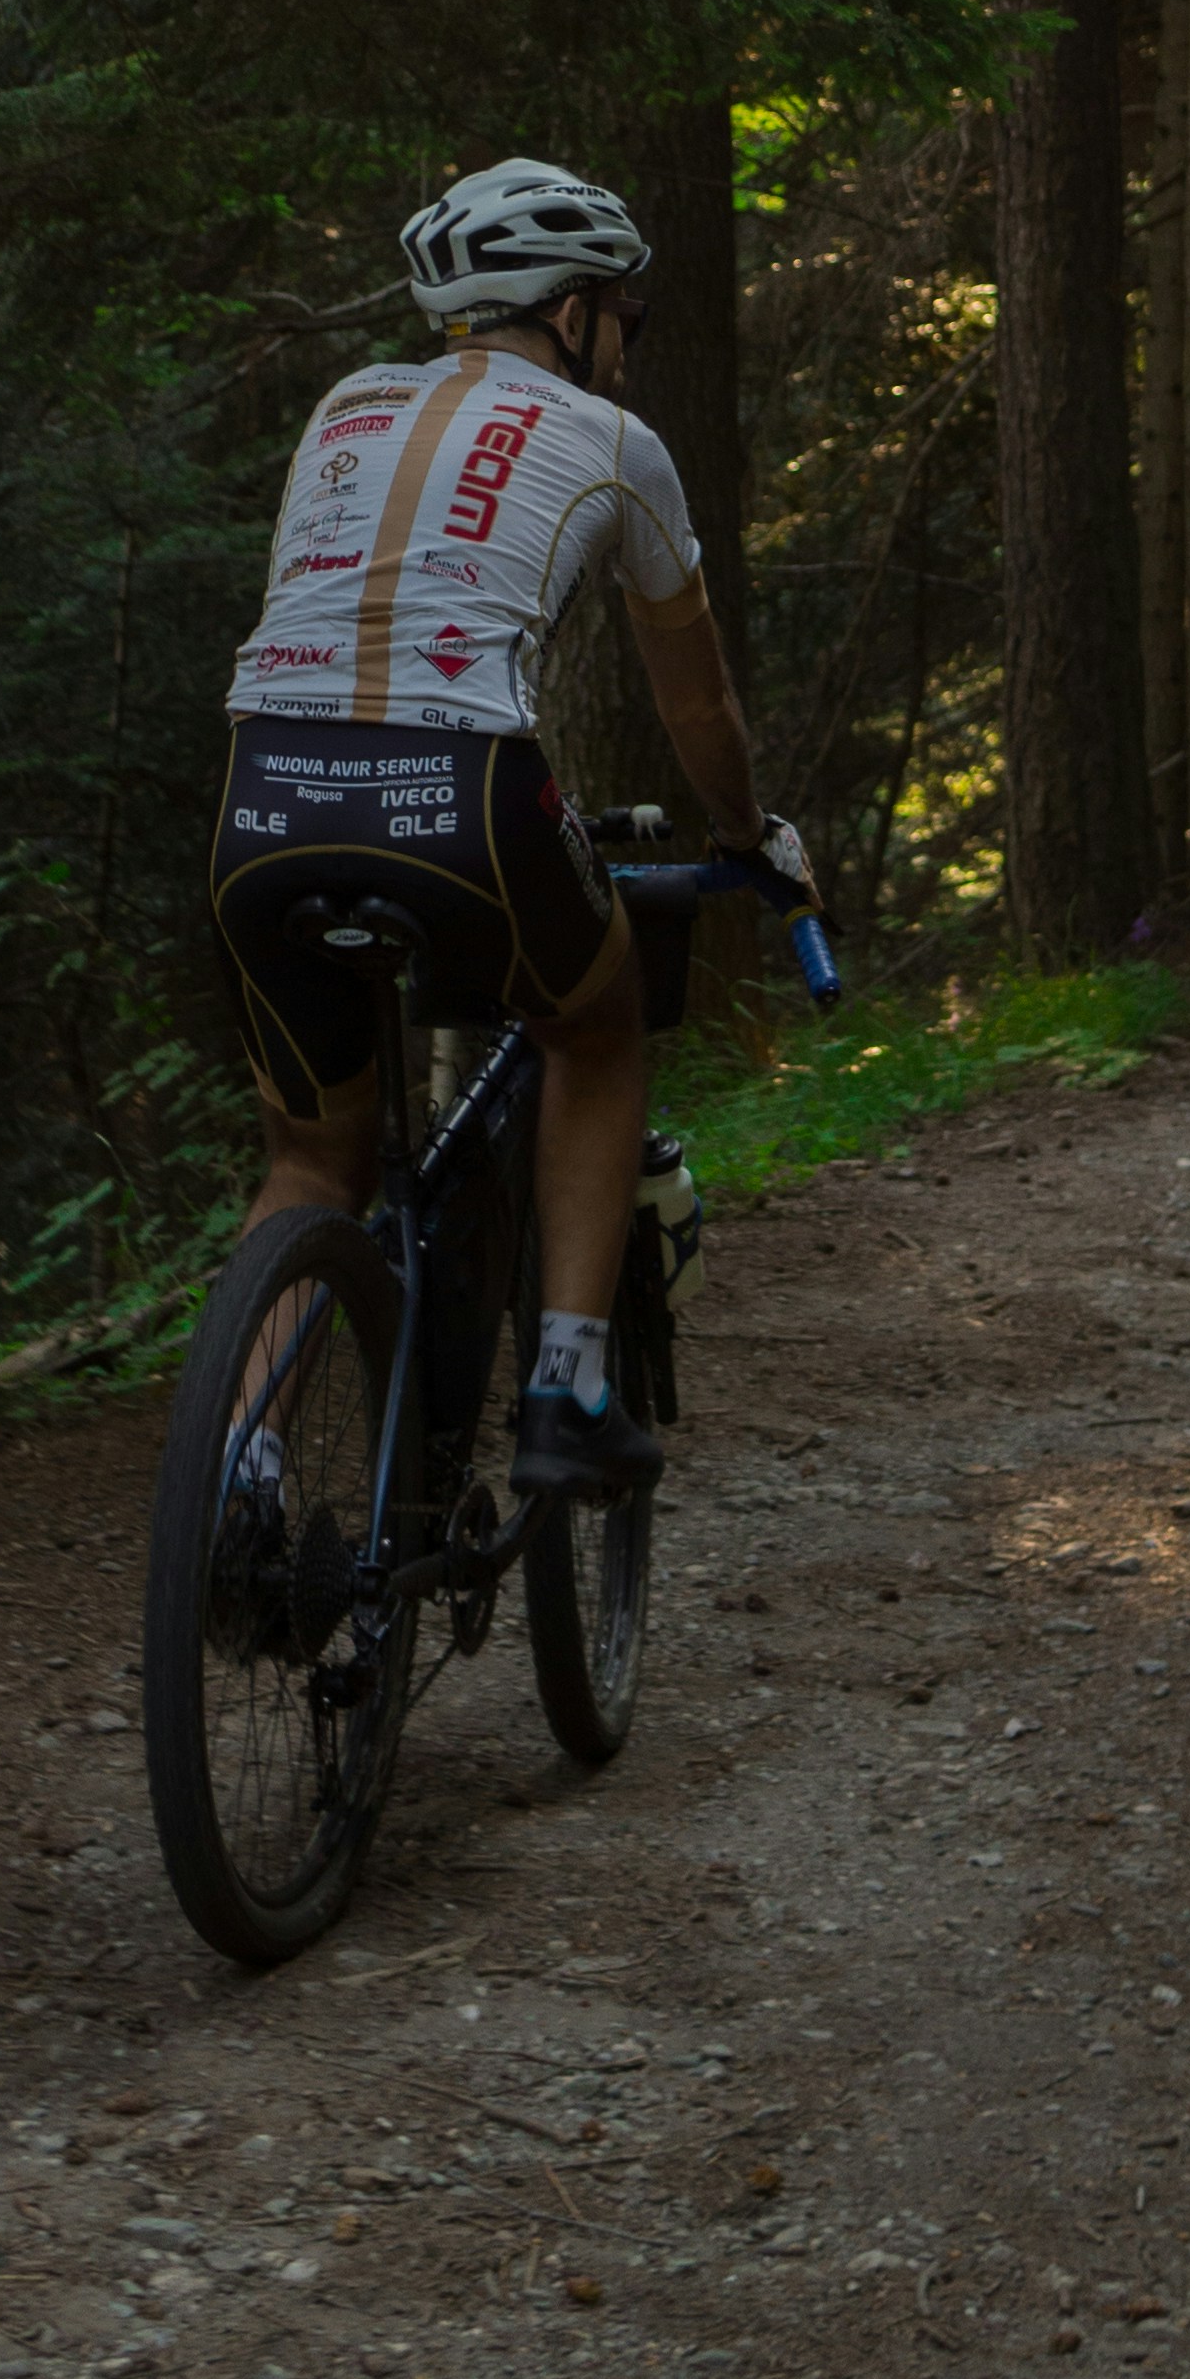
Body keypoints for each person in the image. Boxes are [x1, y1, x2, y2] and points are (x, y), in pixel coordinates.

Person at [208, 154, 812, 1500]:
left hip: (261, 794)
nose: (629, 349)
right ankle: (570, 1386)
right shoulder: (617, 447)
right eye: (629, 321)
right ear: (576, 310)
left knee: (315, 1153)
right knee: (594, 1027)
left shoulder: (345, 408)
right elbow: (698, 700)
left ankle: (233, 1467)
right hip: (467, 795)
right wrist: (750, 833)